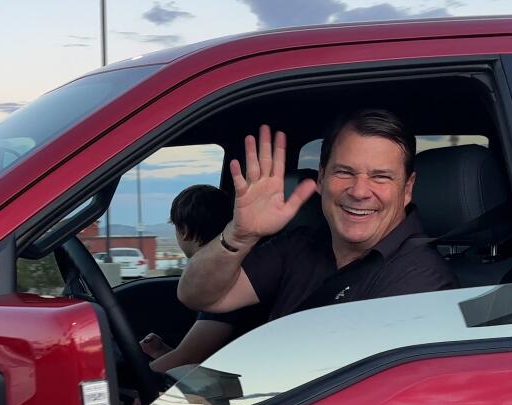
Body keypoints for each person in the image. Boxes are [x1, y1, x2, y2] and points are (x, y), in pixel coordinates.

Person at [177, 109, 456, 329]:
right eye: (344, 172)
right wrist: (239, 235)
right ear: (321, 178)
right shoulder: (301, 244)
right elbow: (198, 296)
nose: (359, 191)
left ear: (407, 188)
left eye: (380, 176)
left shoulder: (422, 280)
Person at [141, 184, 265, 373]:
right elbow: (197, 359)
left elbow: (189, 359)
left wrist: (139, 385)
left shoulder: (220, 280)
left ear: (183, 231)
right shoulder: (244, 269)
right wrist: (161, 352)